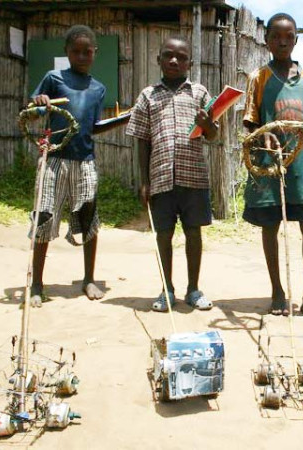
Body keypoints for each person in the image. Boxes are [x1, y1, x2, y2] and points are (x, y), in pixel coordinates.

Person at [29, 25, 125, 307]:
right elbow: (33, 112)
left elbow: (92, 127)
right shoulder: (53, 78)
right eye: (76, 51)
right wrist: (39, 103)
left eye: (87, 52)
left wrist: (121, 120)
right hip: (54, 160)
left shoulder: (98, 88)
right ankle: (36, 284)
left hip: (85, 161)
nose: (82, 56)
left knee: (88, 218)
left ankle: (89, 279)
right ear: (67, 52)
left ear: (95, 52)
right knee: (44, 216)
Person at [242, 12, 303, 325]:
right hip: (269, 164)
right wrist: (262, 135)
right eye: (275, 37)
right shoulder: (258, 77)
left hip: (301, 165)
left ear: (295, 40)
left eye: (288, 37)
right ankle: (277, 290)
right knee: (270, 226)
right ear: (266, 40)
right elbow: (250, 121)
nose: (282, 42)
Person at [126, 36, 217, 312]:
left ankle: (193, 289)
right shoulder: (148, 95)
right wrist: (145, 182)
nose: (174, 60)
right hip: (161, 178)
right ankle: (167, 290)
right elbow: (142, 140)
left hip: (194, 177)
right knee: (163, 235)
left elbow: (213, 134)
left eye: (181, 57)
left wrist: (207, 124)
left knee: (193, 233)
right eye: (168, 55)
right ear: (159, 60)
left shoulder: (200, 93)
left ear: (190, 62)